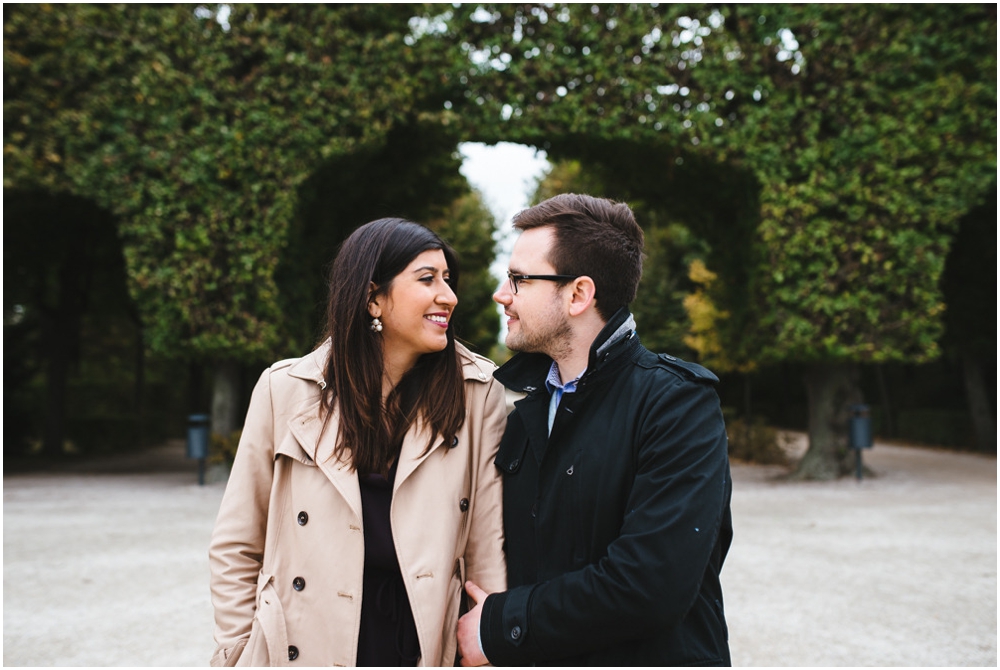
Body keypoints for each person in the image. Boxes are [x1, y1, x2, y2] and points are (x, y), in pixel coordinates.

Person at [209, 218, 507, 667]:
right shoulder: (285, 389)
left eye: (448, 280)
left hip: (422, 639)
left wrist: (487, 641)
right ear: (373, 298)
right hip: (304, 640)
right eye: (427, 279)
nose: (449, 295)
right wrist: (237, 651)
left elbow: (486, 541)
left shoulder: (478, 392)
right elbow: (237, 541)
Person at [457, 194, 733, 666]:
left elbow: (650, 586)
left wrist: (499, 624)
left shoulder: (678, 403)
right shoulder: (521, 410)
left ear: (579, 294)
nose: (501, 294)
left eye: (519, 280)